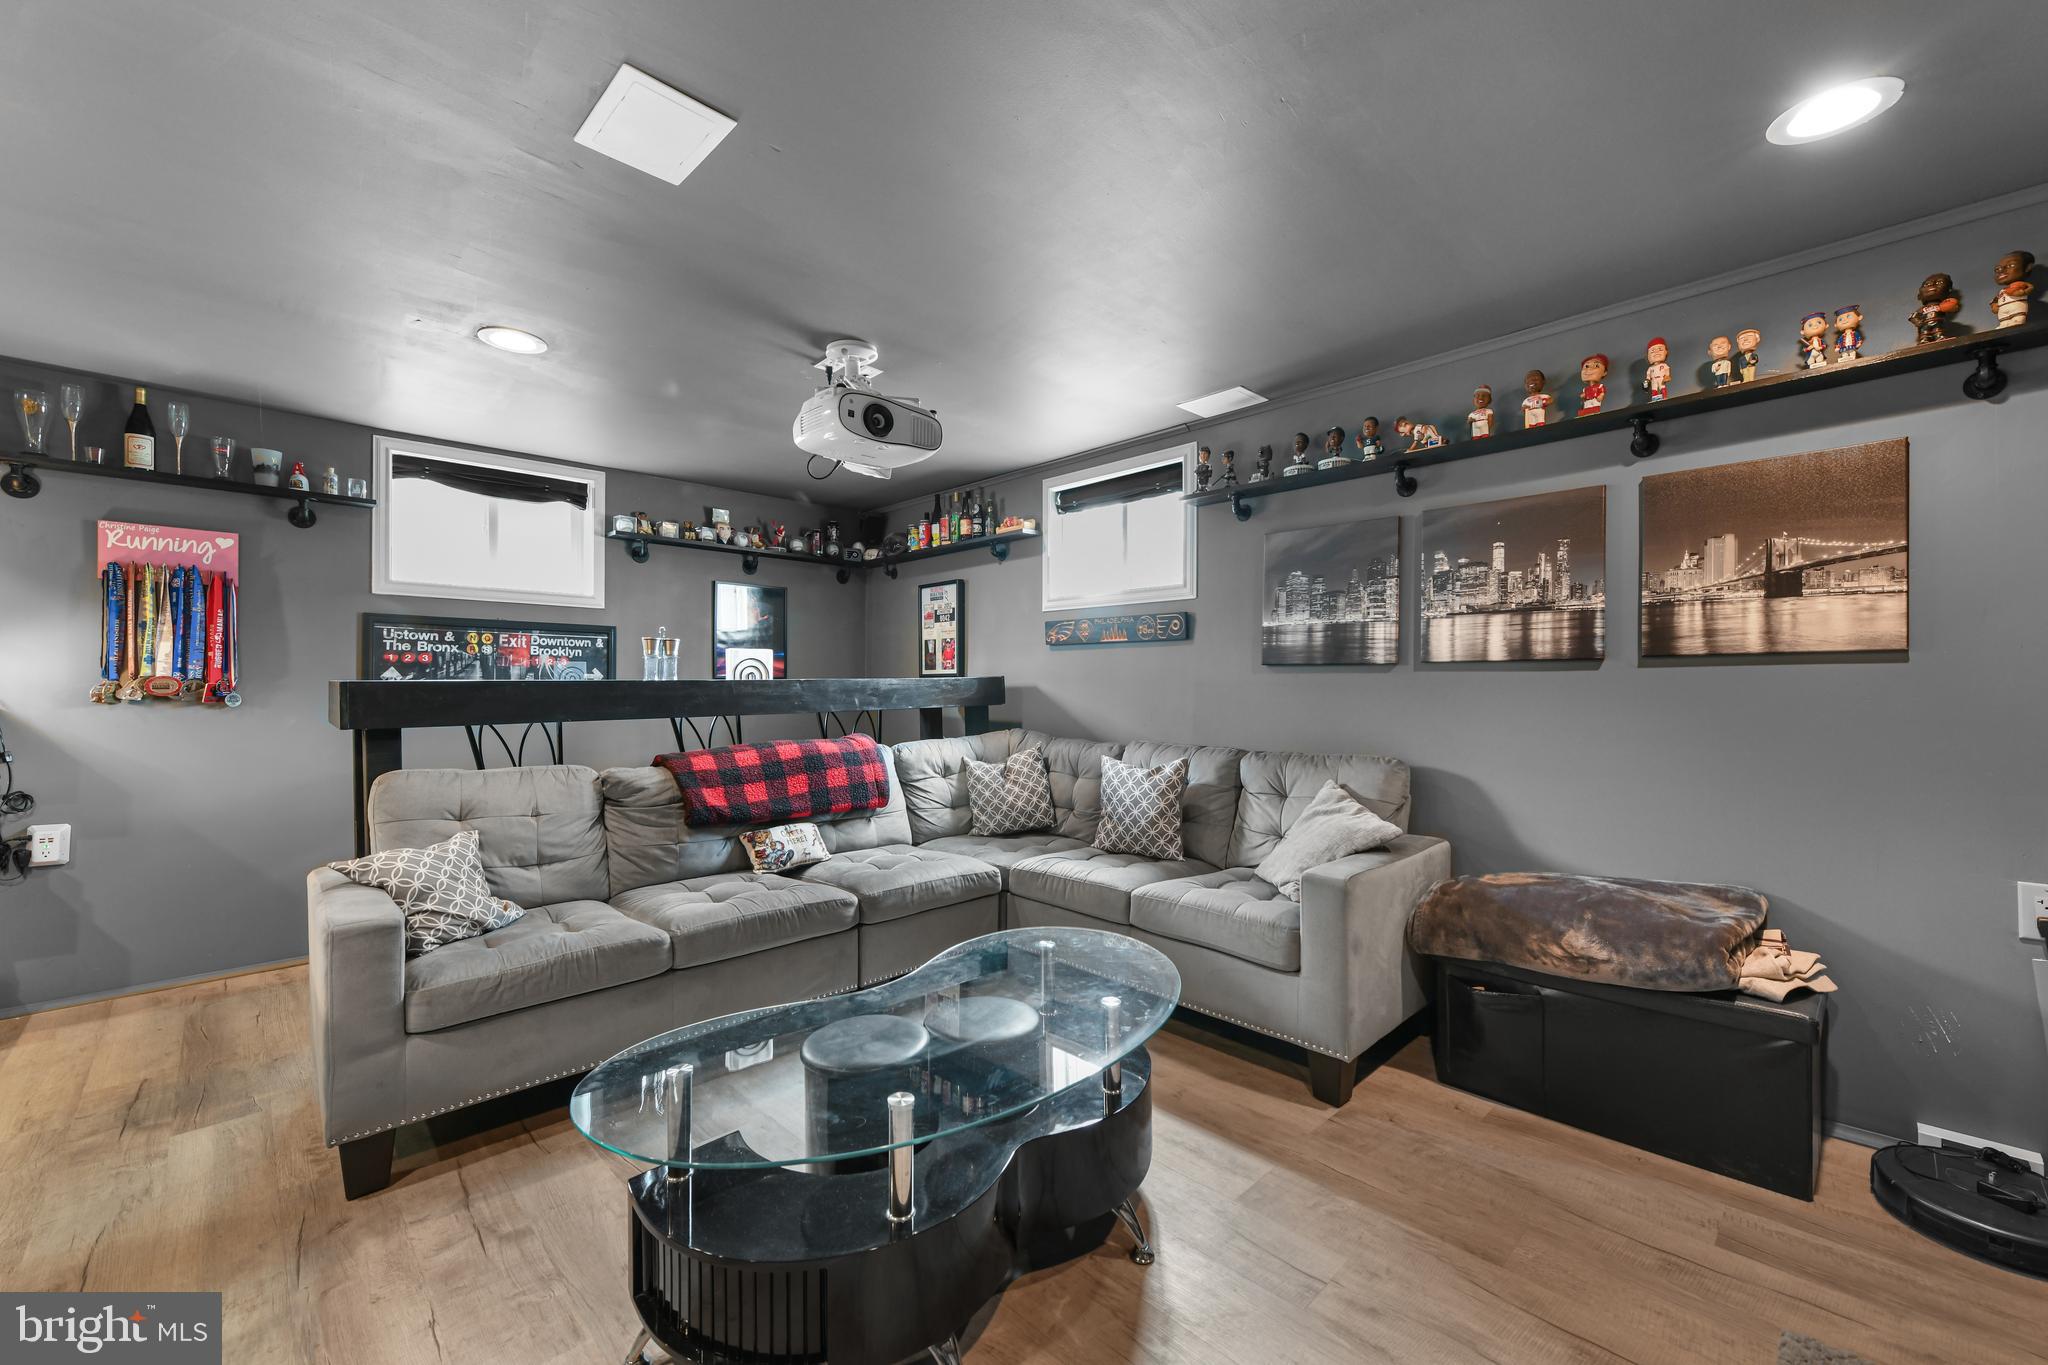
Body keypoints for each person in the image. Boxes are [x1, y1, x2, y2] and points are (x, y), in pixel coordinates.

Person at [1909, 272, 1960, 344]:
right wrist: (1917, 321)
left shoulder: (1942, 305)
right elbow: (1913, 316)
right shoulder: (1922, 309)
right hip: (1925, 323)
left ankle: (1940, 337)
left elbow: (1952, 308)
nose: (1932, 285)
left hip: (1938, 321)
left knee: (1938, 330)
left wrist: (1952, 306)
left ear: (1949, 291)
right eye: (1927, 284)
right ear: (1919, 295)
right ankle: (1924, 339)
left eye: (1940, 282)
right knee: (1925, 332)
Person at [1991, 250, 2035, 329]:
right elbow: (1996, 299)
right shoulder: (2002, 291)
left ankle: (2017, 321)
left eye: (2011, 265)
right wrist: (1994, 304)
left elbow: (2030, 287)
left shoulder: (2021, 285)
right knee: (2003, 322)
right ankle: (2003, 324)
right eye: (1998, 269)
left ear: (2028, 267)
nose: (2001, 270)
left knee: (2017, 319)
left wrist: (2023, 291)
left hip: (2017, 311)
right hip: (2003, 313)